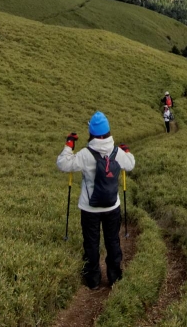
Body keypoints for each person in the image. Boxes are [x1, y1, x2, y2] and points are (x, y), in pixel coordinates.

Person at [56, 111, 135, 289]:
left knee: (91, 243)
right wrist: (127, 151)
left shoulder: (85, 154)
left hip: (89, 208)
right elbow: (130, 164)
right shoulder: (116, 152)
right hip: (112, 206)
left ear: (91, 132)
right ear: (108, 131)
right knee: (112, 240)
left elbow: (63, 164)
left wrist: (69, 145)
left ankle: (93, 280)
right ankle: (115, 277)